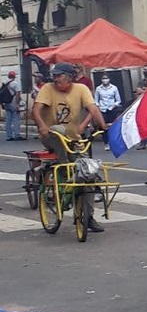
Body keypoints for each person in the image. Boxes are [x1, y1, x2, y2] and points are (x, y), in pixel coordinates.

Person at [33, 62, 107, 233]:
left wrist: (103, 127)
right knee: (59, 130)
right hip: (52, 137)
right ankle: (64, 166)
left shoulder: (81, 89)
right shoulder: (47, 89)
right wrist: (42, 125)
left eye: (59, 76)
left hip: (74, 141)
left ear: (70, 77)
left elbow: (93, 109)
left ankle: (88, 217)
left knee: (88, 174)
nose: (55, 79)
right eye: (55, 76)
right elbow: (36, 110)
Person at [3, 70, 21, 140]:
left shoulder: (5, 83)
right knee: (16, 119)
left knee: (8, 120)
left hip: (7, 102)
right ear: (14, 76)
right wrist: (18, 104)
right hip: (13, 102)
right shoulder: (16, 83)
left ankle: (9, 136)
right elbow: (17, 95)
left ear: (8, 76)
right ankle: (17, 135)